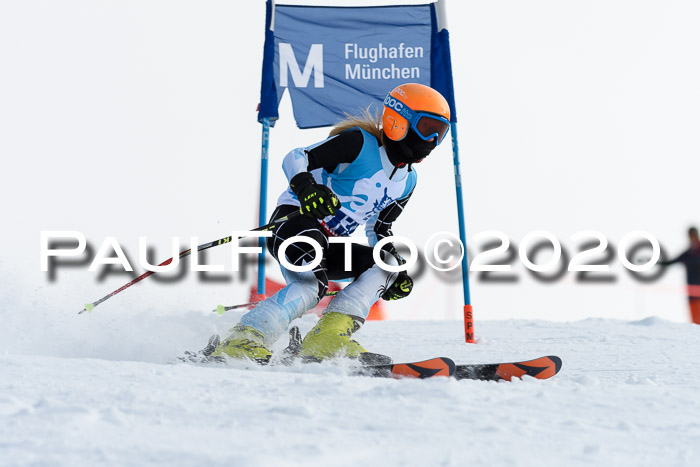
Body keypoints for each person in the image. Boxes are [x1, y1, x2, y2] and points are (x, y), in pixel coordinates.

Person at [210, 83, 451, 363]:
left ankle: (327, 338)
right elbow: (296, 157)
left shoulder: (407, 181)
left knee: (386, 265)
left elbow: (378, 228)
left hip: (330, 245)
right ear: (398, 120)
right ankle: (244, 339)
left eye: (440, 133)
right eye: (427, 128)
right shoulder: (359, 143)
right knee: (312, 285)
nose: (432, 140)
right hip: (294, 223)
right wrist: (306, 188)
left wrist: (396, 271)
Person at [660, 227, 700, 324]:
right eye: (690, 235)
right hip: (692, 295)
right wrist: (654, 262)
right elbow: (670, 262)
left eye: (693, 235)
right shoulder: (687, 254)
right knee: (695, 326)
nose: (692, 238)